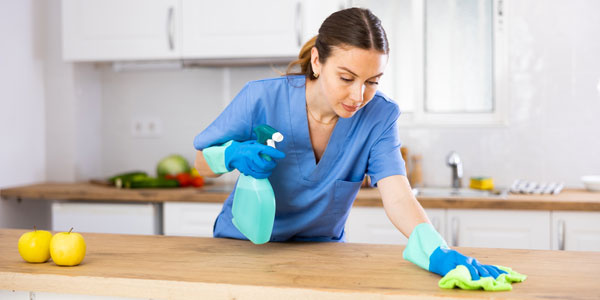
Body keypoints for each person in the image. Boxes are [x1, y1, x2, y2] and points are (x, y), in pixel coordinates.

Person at [193, 8, 507, 282]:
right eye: (346, 78)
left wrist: (436, 248)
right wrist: (231, 155)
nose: (359, 97)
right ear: (317, 61)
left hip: (323, 256)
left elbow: (397, 194)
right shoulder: (260, 97)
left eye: (372, 81)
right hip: (242, 247)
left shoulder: (380, 116)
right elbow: (200, 164)